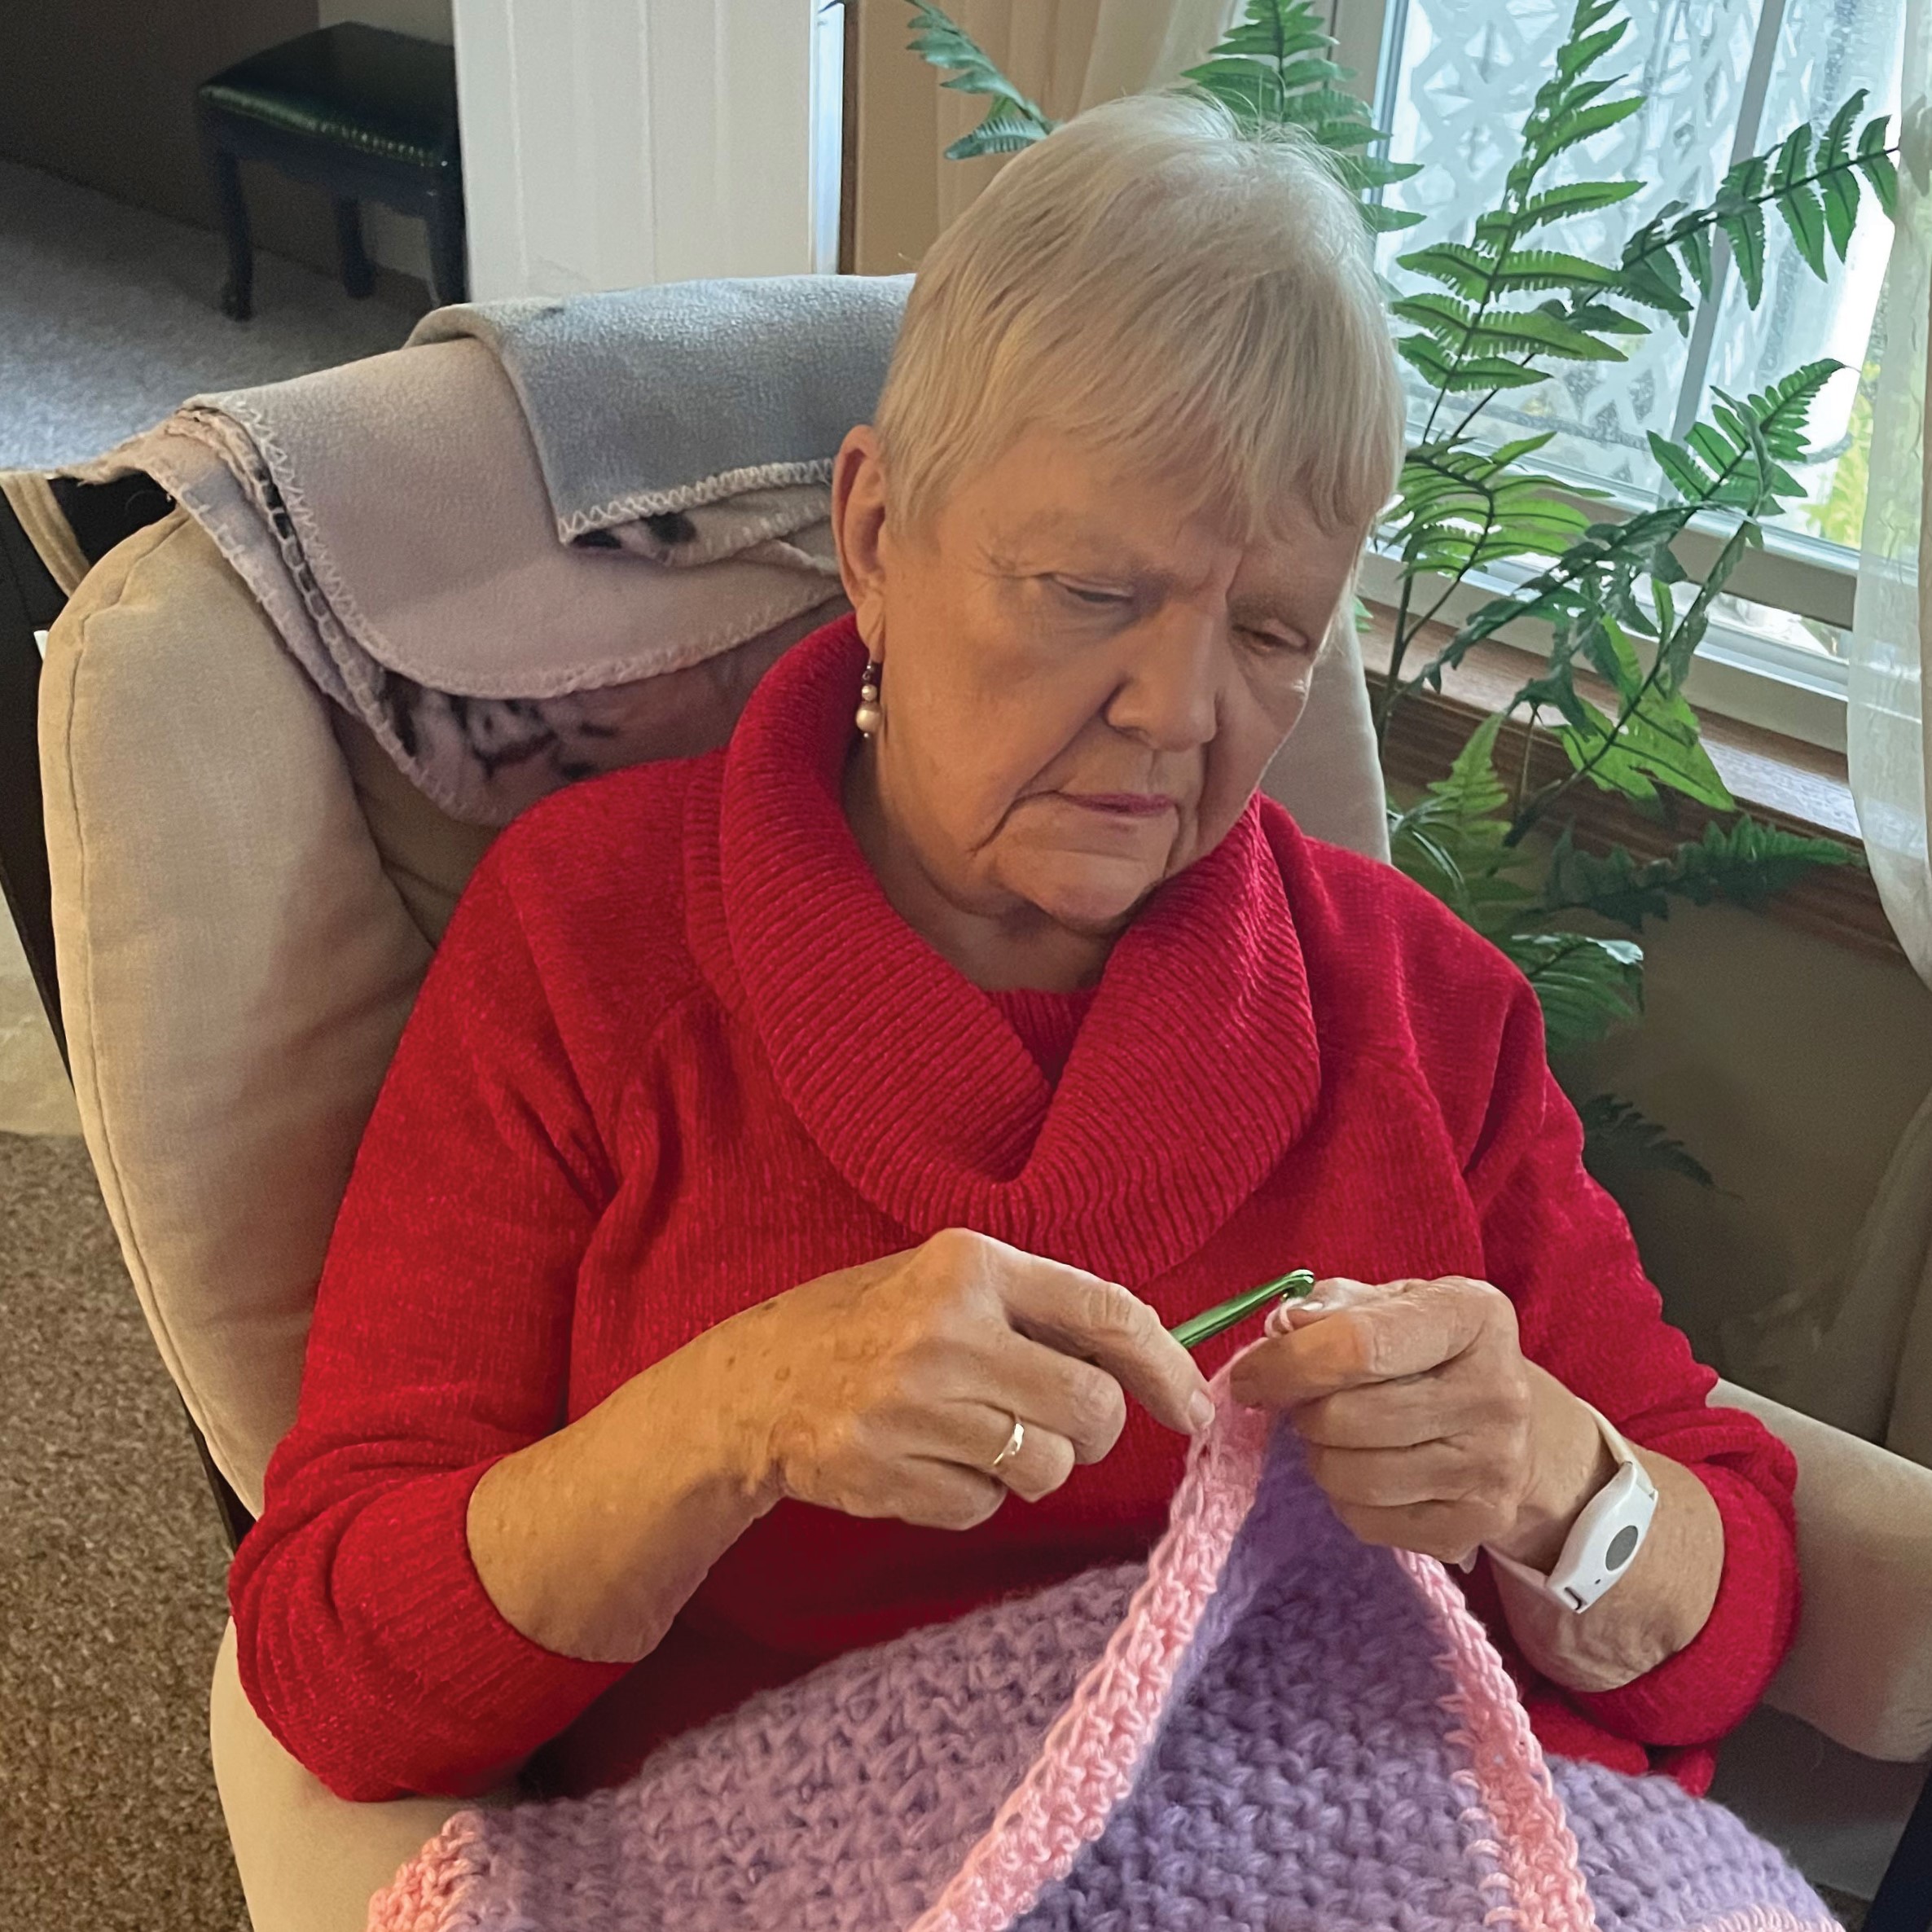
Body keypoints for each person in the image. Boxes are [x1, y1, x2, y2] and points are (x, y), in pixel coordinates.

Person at [229, 92, 1797, 1810]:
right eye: (1088, 592)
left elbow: (1733, 1605)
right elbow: (334, 1665)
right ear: (878, 536)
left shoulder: (1426, 1011)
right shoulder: (587, 943)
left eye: (1271, 630)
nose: (1178, 711)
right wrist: (724, 1418)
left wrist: (1557, 1476)